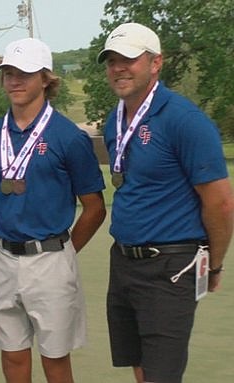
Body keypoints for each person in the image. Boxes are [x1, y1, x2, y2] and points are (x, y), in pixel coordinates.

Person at [97, 22, 234, 383]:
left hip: (170, 266)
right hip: (124, 261)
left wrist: (214, 264)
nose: (118, 68)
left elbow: (220, 203)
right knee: (139, 364)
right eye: (111, 60)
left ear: (156, 63)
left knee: (162, 374)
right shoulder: (116, 119)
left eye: (128, 59)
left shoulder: (185, 120)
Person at [0, 37, 106, 383]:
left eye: (25, 73)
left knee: (55, 360)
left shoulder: (68, 136)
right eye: (8, 73)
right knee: (13, 357)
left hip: (50, 258)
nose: (15, 81)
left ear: (46, 79)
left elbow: (94, 207)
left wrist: (63, 252)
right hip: (3, 257)